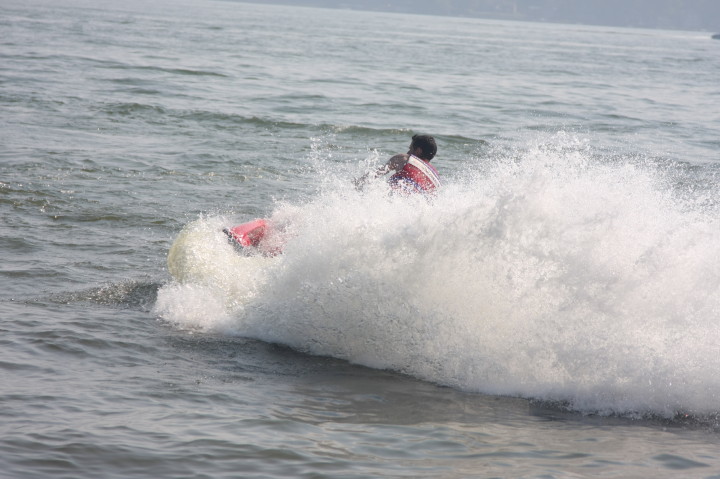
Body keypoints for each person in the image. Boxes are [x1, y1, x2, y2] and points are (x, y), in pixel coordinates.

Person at [356, 134, 441, 194]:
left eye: (410, 148)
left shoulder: (404, 159)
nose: (408, 152)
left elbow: (374, 175)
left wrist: (355, 185)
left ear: (418, 150)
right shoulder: (435, 174)